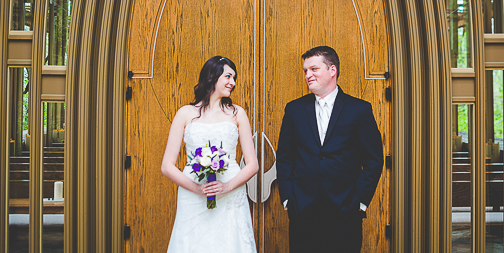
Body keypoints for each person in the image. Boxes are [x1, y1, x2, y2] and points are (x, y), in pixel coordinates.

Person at [277, 46, 384, 253]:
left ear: (332, 70)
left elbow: (373, 160)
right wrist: (289, 198)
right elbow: (285, 158)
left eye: (314, 69)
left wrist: (360, 202)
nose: (308, 75)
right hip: (303, 211)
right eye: (305, 71)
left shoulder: (360, 109)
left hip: (346, 211)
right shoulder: (294, 109)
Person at [161, 56, 258, 252]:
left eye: (234, 77)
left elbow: (253, 164)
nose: (233, 82)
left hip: (230, 193)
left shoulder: (237, 113)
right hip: (193, 194)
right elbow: (167, 166)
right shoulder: (185, 113)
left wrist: (227, 186)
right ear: (212, 77)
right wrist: (197, 189)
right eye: (228, 76)